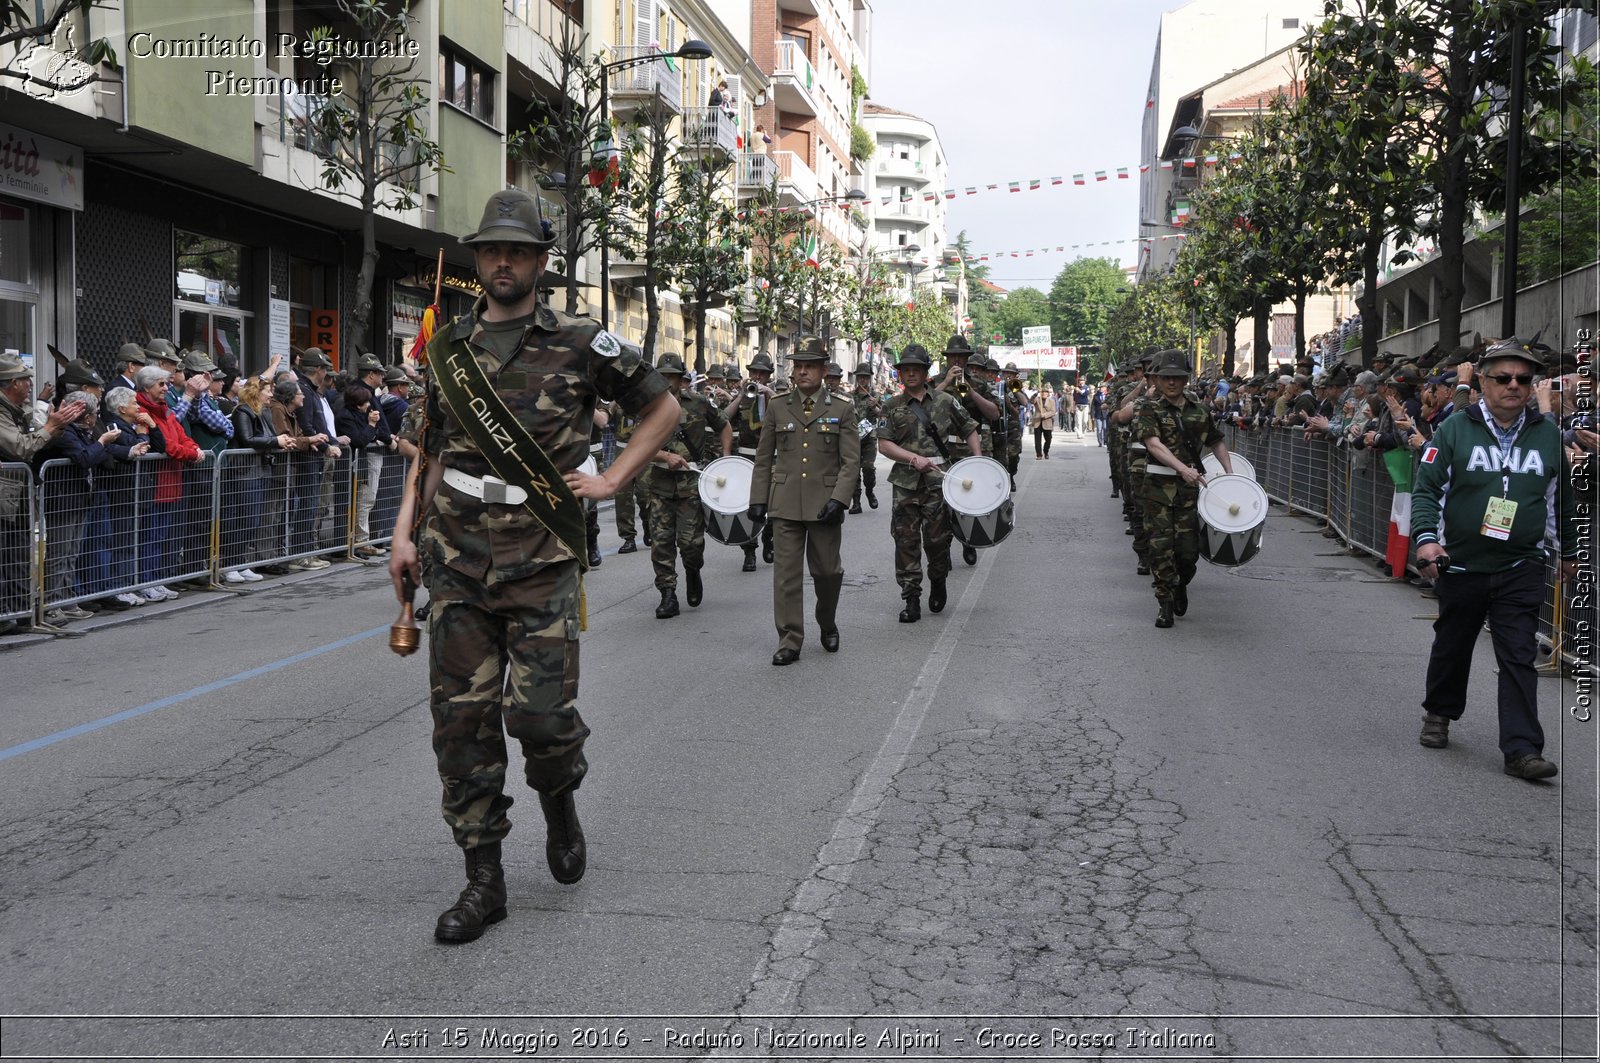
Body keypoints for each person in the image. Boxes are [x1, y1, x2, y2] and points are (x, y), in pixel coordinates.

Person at [388, 188, 679, 944]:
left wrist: (613, 481)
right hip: (454, 555)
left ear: (541, 262)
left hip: (542, 553)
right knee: (462, 724)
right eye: (491, 250)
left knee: (541, 719)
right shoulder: (449, 347)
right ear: (478, 260)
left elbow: (664, 411)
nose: (503, 261)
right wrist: (402, 535)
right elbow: (428, 449)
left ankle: (559, 802)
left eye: (517, 250)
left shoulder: (581, 340)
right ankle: (484, 879)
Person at [1412, 339, 1580, 781]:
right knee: (1454, 642)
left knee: (1518, 654)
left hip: (1522, 564)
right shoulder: (1454, 428)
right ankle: (1439, 713)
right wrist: (1428, 541)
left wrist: (1568, 551)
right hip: (1462, 563)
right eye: (1503, 378)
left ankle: (1522, 750)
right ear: (1483, 381)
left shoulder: (1547, 433)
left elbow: (1561, 497)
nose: (1514, 386)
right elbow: (1427, 489)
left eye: (1523, 379)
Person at [748, 336, 860, 665]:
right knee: (785, 575)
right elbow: (764, 457)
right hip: (784, 503)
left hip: (825, 504)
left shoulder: (841, 408)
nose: (802, 372)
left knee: (827, 572)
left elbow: (851, 461)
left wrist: (840, 500)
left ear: (824, 370)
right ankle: (790, 638)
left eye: (809, 366)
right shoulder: (779, 405)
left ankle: (827, 621)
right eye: (798, 366)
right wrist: (758, 499)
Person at [875, 343, 980, 623]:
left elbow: (969, 428)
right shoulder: (891, 405)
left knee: (937, 540)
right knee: (905, 541)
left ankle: (938, 579)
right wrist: (912, 459)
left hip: (938, 481)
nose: (910, 374)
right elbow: (884, 444)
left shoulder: (944, 401)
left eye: (916, 369)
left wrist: (979, 462)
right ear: (900, 374)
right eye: (906, 370)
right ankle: (911, 598)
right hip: (905, 482)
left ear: (925, 373)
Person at [1134, 349, 1231, 629]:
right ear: (1159, 380)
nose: (1172, 383)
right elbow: (1153, 444)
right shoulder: (1149, 408)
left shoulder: (1199, 410)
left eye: (1177, 377)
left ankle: (1180, 583)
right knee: (1160, 548)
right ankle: (1164, 602)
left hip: (1189, 492)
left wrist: (1231, 476)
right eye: (1166, 378)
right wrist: (1182, 468)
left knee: (1188, 552)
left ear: (1186, 379)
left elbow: (1216, 441)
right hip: (1157, 489)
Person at [640, 353, 731, 617]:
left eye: (672, 376)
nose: (667, 381)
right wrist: (664, 456)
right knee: (661, 543)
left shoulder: (699, 403)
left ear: (681, 379)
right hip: (659, 485)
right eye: (663, 376)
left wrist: (724, 459)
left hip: (692, 485)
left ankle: (693, 570)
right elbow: (638, 444)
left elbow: (724, 425)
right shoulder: (646, 405)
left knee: (691, 544)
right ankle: (668, 594)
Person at [723, 351, 779, 569]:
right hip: (746, 457)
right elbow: (724, 418)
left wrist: (770, 393)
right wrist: (739, 396)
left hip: (773, 459)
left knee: (774, 505)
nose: (757, 377)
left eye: (762, 374)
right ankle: (749, 552)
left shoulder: (777, 395)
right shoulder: (744, 395)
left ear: (768, 376)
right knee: (748, 506)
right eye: (754, 372)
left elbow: (792, 411)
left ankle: (769, 538)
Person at [849, 364, 882, 514]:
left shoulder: (876, 396)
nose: (862, 380)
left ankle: (870, 491)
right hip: (852, 439)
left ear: (869, 379)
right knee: (854, 471)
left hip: (869, 438)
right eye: (860, 377)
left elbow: (884, 415)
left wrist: (875, 407)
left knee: (868, 468)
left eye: (865, 377)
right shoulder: (849, 396)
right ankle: (856, 502)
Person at [1031, 383, 1057, 459]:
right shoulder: (1037, 399)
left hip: (1047, 422)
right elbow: (1031, 400)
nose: (1044, 393)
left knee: (1048, 439)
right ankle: (1039, 455)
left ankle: (1046, 451)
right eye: (1043, 392)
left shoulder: (1051, 401)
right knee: (1037, 440)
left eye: (1046, 392)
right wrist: (1036, 393)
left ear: (1048, 393)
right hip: (1038, 422)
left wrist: (1045, 415)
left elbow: (1053, 411)